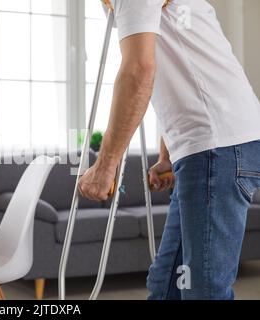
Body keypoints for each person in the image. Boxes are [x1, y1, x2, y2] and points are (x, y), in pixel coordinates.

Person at [78, 0, 260, 300]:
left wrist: (106, 164)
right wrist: (167, 155)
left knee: (203, 292)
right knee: (168, 285)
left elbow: (139, 72)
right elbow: (172, 74)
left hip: (218, 145)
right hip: (212, 145)